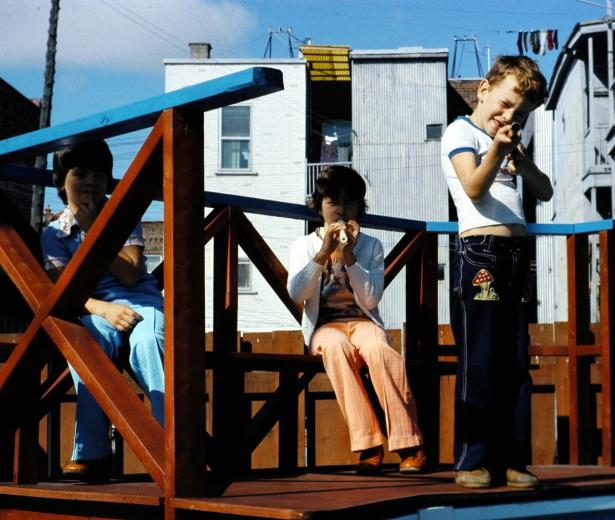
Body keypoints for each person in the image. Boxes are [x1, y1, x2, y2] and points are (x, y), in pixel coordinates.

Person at [441, 55, 552, 489]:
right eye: (504, 104)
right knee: (480, 359)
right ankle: (472, 459)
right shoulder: (460, 131)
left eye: (520, 113)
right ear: (483, 89)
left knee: (516, 361)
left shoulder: (511, 144)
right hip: (481, 253)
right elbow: (472, 186)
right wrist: (497, 152)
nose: (508, 116)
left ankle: (512, 460)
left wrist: (520, 161)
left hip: (517, 255)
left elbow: (544, 189)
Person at [287, 165, 426, 474]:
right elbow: (297, 293)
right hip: (325, 327)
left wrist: (350, 256)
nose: (341, 209)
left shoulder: (371, 246)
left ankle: (409, 441)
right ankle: (368, 444)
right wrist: (324, 252)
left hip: (363, 322)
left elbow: (371, 299)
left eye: (350, 203)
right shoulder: (304, 245)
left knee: (379, 349)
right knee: (336, 348)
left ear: (359, 208)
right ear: (319, 206)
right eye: (333, 201)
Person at [41, 141, 165, 482]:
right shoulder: (54, 234)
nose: (91, 182)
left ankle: (171, 443)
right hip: (93, 309)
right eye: (80, 173)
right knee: (86, 340)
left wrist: (96, 228)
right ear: (61, 180)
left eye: (99, 175)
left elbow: (130, 272)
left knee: (150, 340)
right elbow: (62, 289)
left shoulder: (122, 214)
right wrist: (104, 310)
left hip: (142, 303)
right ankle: (90, 453)